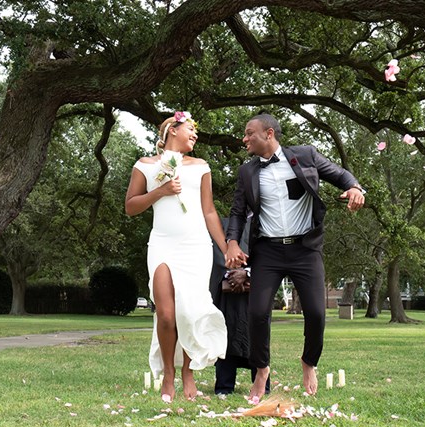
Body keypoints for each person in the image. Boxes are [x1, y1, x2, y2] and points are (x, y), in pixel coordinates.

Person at [225, 113, 365, 402]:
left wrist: (354, 188)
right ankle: (261, 369)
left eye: (250, 132)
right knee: (257, 312)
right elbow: (238, 212)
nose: (245, 138)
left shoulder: (305, 156)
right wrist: (232, 243)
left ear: (270, 134)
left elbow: (340, 175)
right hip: (268, 251)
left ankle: (309, 363)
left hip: (305, 249)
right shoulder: (247, 171)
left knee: (315, 313)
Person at [125, 111, 227, 401]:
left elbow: (209, 211)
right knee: (167, 315)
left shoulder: (201, 167)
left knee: (187, 312)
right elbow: (131, 207)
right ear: (172, 130)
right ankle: (168, 374)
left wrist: (225, 247)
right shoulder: (145, 166)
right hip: (162, 244)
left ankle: (187, 374)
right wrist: (161, 191)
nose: (195, 135)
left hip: (196, 246)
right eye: (190, 129)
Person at [209, 217, 270, 396]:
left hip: (257, 290)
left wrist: (247, 273)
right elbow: (215, 252)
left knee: (257, 334)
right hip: (226, 289)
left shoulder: (266, 222)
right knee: (226, 332)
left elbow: (271, 256)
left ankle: (261, 384)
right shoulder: (221, 224)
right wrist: (230, 274)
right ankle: (224, 385)